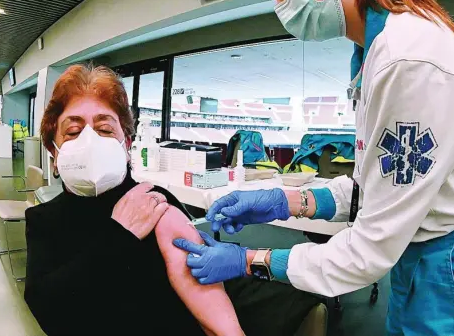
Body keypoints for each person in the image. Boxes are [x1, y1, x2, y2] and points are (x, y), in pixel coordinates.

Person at [173, 0, 454, 336]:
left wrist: (249, 261)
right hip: (426, 241)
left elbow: (369, 249)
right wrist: (283, 201)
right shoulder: (372, 54)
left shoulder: (408, 60)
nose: (280, 7)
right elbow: (370, 186)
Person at [24, 64, 320, 336]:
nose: (90, 142)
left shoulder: (154, 203)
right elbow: (52, 315)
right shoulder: (44, 220)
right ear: (54, 151)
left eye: (104, 130)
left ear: (126, 145)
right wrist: (118, 236)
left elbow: (209, 304)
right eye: (74, 131)